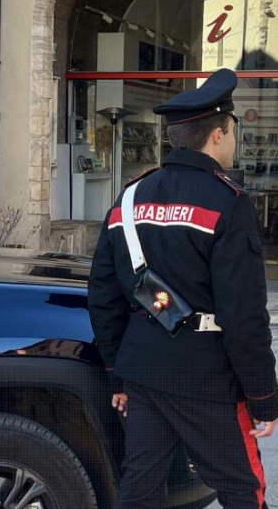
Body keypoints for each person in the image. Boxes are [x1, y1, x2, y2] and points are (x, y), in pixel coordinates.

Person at [88, 68, 278, 509]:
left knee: (141, 488)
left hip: (143, 372)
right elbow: (244, 316)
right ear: (219, 133)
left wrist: (119, 373)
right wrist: (263, 397)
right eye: (233, 131)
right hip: (207, 377)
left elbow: (103, 294)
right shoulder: (226, 202)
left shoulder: (129, 199)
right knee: (241, 489)